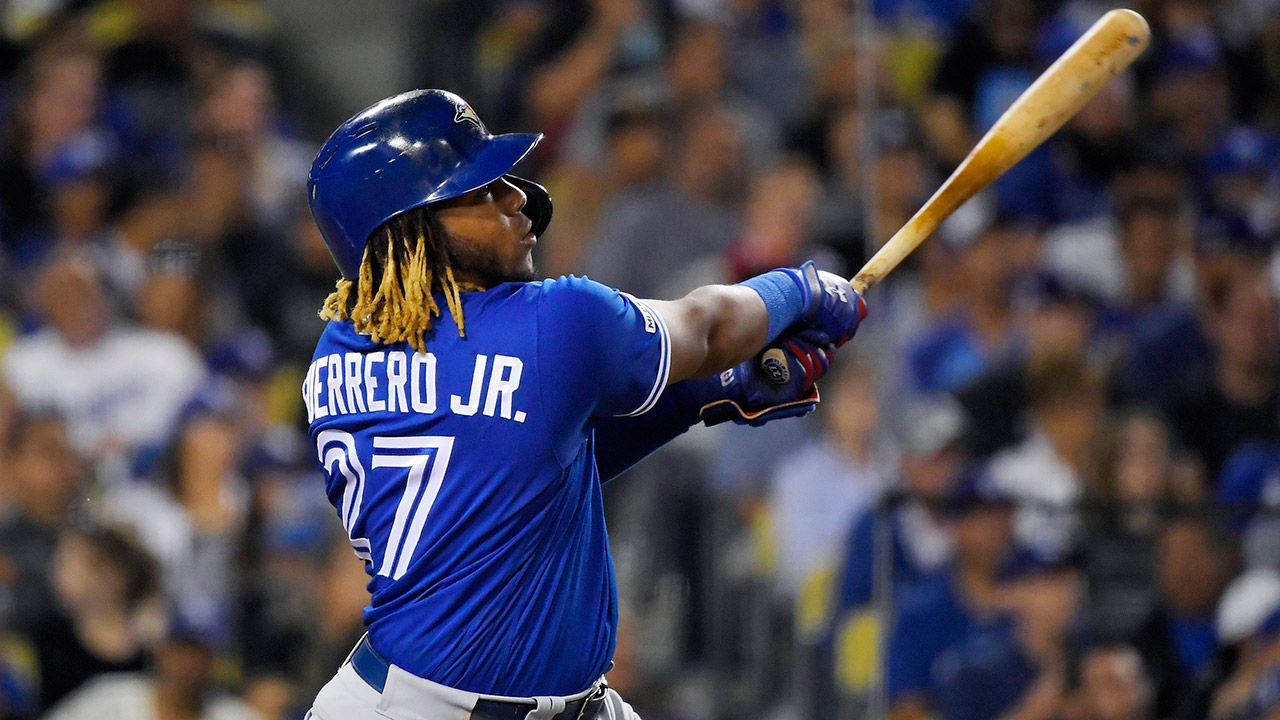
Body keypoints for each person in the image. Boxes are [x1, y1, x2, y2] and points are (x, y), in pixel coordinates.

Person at [301, 89, 867, 720]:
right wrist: (800, 288)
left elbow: (523, 475)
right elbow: (706, 329)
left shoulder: (335, 351)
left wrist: (712, 392)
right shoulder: (550, 323)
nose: (517, 199)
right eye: (481, 191)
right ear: (409, 232)